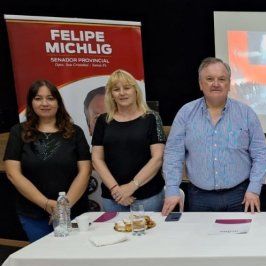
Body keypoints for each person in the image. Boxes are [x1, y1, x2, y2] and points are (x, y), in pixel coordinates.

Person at [162, 57, 266, 214]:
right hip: (199, 197)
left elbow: (261, 154)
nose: (216, 83)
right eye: (210, 79)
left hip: (240, 196)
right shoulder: (185, 113)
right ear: (200, 84)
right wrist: (172, 190)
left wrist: (254, 189)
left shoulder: (246, 114)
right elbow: (173, 155)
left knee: (240, 239)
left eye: (221, 79)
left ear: (229, 83)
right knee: (202, 239)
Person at [4, 80, 91, 241]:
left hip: (73, 212)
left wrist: (63, 208)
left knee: (75, 258)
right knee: (42, 261)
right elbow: (12, 173)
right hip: (33, 214)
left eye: (50, 98)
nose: (44, 103)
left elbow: (85, 172)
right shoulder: (18, 132)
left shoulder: (75, 132)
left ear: (58, 102)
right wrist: (46, 203)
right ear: (31, 102)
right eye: (38, 98)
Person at [91, 69, 166, 212]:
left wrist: (131, 186)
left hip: (148, 196)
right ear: (111, 95)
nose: (122, 93)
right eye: (116, 89)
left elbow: (157, 158)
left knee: (150, 234)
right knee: (115, 235)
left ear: (135, 90)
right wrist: (116, 189)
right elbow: (96, 159)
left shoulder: (152, 118)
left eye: (127, 88)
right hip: (113, 197)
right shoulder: (103, 120)